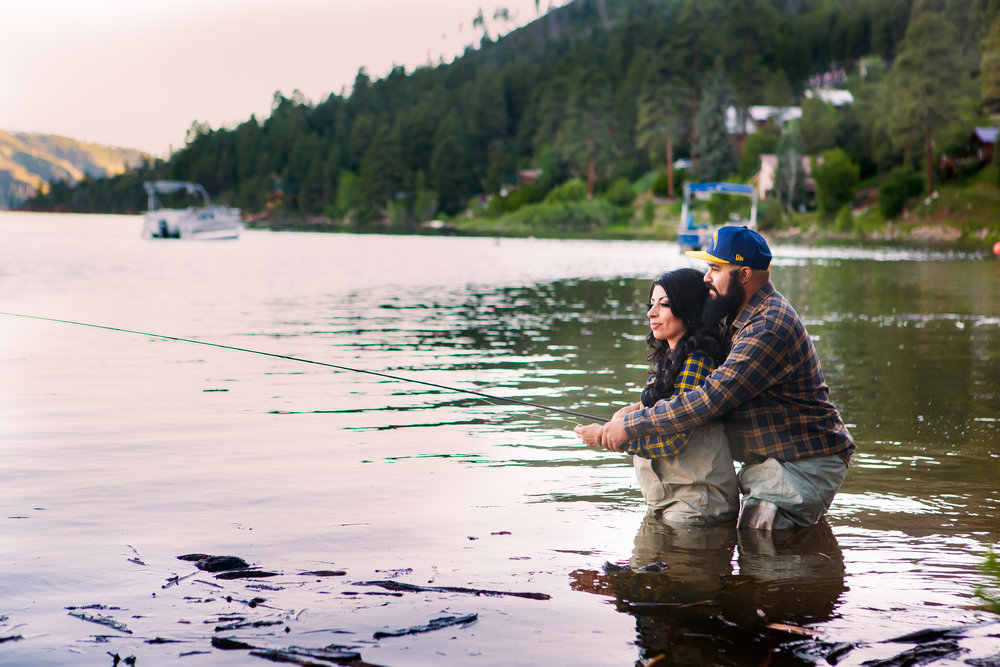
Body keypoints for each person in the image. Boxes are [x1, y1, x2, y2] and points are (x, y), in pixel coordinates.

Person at [594, 225, 855, 531]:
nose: (707, 277)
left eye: (716, 268)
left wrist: (630, 426)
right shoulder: (736, 313)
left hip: (804, 463)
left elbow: (708, 399)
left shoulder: (767, 327)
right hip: (773, 462)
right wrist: (639, 406)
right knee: (753, 551)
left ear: (744, 275)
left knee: (759, 542)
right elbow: (686, 382)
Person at [575, 268, 739, 525]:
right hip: (669, 501)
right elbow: (666, 406)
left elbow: (674, 436)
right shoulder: (672, 357)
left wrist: (607, 435)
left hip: (697, 506)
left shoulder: (699, 360)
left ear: (689, 309)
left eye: (664, 305)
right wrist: (635, 409)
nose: (652, 313)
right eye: (652, 304)